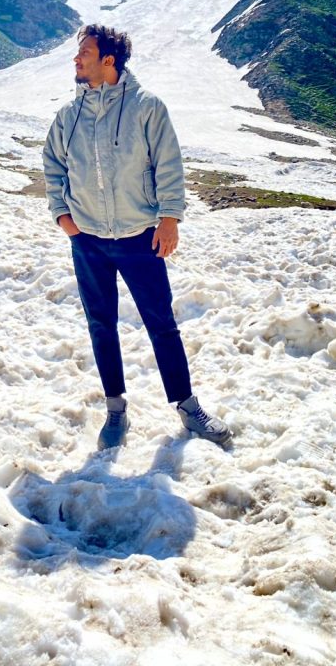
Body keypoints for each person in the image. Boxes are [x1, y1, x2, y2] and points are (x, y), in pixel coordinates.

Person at [43, 24, 232, 450]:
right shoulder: (68, 116)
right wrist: (62, 216)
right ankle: (115, 409)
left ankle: (187, 406)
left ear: (108, 60)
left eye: (85, 54)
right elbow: (52, 165)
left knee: (161, 324)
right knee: (101, 325)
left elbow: (168, 164)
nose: (76, 60)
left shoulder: (147, 107)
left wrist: (169, 218)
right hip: (87, 240)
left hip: (138, 237)